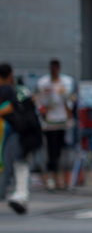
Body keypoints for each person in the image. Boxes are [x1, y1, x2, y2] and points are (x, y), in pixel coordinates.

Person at [0, 64, 39, 214]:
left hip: (9, 133)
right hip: (21, 133)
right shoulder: (20, 90)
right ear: (11, 74)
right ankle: (20, 195)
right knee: (19, 164)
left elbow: (9, 107)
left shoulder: (8, 91)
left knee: (11, 163)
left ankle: (17, 195)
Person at [36, 59, 74, 191]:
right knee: (51, 151)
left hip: (63, 121)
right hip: (49, 121)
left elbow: (69, 101)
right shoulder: (43, 83)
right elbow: (41, 102)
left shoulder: (66, 82)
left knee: (63, 151)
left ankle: (63, 179)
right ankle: (52, 177)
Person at [69, 82, 92, 190]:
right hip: (90, 129)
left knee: (83, 156)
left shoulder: (80, 101)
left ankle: (75, 181)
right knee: (90, 156)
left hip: (85, 129)